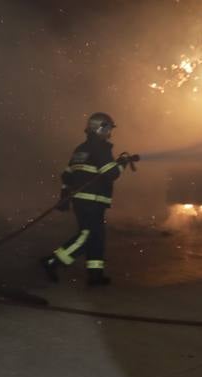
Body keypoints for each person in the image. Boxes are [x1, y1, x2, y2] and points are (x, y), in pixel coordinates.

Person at [42, 112, 137, 287]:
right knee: (87, 237)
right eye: (108, 128)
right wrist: (123, 162)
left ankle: (95, 275)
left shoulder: (81, 149)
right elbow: (111, 173)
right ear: (100, 128)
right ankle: (52, 262)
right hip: (91, 201)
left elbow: (67, 175)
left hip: (85, 201)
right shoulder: (100, 147)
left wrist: (64, 196)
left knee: (97, 237)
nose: (110, 133)